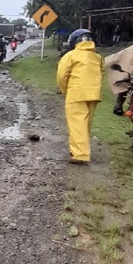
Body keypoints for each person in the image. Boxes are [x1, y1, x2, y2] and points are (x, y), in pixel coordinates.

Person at [57, 29, 103, 164]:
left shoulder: (71, 55)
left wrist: (64, 90)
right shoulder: (98, 57)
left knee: (77, 123)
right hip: (94, 94)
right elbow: (102, 73)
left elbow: (62, 75)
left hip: (76, 93)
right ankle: (78, 149)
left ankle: (80, 154)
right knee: (85, 124)